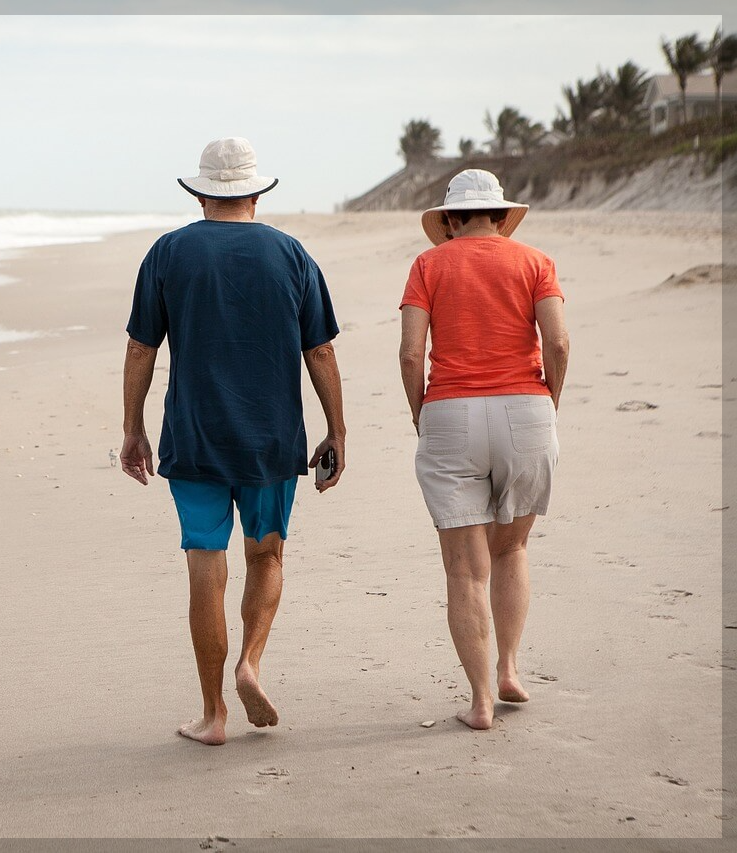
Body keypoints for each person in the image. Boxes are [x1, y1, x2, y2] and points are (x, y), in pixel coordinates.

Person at [121, 137, 346, 746]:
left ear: (199, 193)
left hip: (194, 435)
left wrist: (132, 427)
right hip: (272, 438)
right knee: (266, 555)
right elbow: (319, 350)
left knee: (205, 563)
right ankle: (250, 662)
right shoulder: (292, 254)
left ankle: (214, 712)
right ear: (256, 191)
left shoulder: (168, 253)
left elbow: (143, 346)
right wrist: (337, 429)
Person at [399, 169, 570, 731]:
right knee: (512, 549)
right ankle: (510, 669)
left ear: (449, 220)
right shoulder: (535, 262)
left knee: (464, 569)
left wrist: (423, 414)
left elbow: (410, 354)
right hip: (526, 408)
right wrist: (550, 401)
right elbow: (559, 342)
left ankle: (478, 702)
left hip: (451, 411)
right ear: (500, 216)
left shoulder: (428, 265)